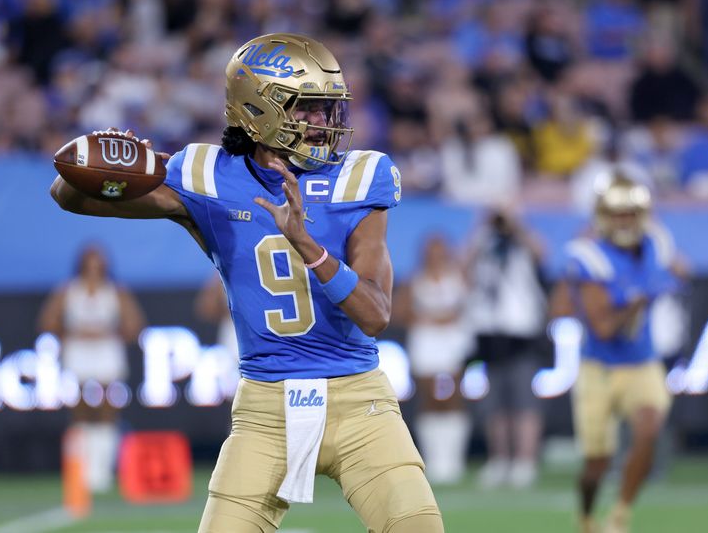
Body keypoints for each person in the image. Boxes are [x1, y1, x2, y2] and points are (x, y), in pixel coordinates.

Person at [50, 33, 443, 533]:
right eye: (310, 108)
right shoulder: (208, 176)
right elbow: (71, 197)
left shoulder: (360, 177)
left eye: (329, 109)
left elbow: (375, 314)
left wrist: (309, 247)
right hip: (265, 408)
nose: (325, 123)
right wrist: (100, 161)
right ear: (260, 113)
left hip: (359, 402)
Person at [561, 174, 682, 533]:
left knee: (649, 428)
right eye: (616, 214)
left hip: (642, 362)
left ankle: (619, 516)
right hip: (599, 368)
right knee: (596, 465)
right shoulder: (589, 256)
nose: (624, 221)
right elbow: (603, 327)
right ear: (602, 216)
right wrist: (640, 298)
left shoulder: (655, 244)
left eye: (630, 213)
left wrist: (669, 276)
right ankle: (586, 518)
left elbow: (679, 268)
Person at [38, 244, 145, 493]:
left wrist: (108, 332)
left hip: (107, 352)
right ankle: (81, 470)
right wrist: (74, 332)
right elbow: (47, 322)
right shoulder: (68, 291)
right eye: (90, 265)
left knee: (107, 410)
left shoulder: (115, 291)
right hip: (78, 353)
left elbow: (134, 325)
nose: (94, 270)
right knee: (80, 410)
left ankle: (103, 470)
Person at [465, 207, 547, 489]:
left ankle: (525, 460)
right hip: (489, 331)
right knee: (494, 404)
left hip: (520, 331)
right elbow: (463, 265)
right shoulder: (485, 245)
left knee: (524, 401)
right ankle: (499, 459)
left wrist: (516, 224)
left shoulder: (522, 246)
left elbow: (541, 253)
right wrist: (482, 227)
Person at [393, 235, 471, 485]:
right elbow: (399, 312)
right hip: (426, 344)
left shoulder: (459, 277)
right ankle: (434, 459)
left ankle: (454, 459)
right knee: (430, 399)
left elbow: (471, 305)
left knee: (452, 398)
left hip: (453, 344)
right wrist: (430, 318)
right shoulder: (415, 280)